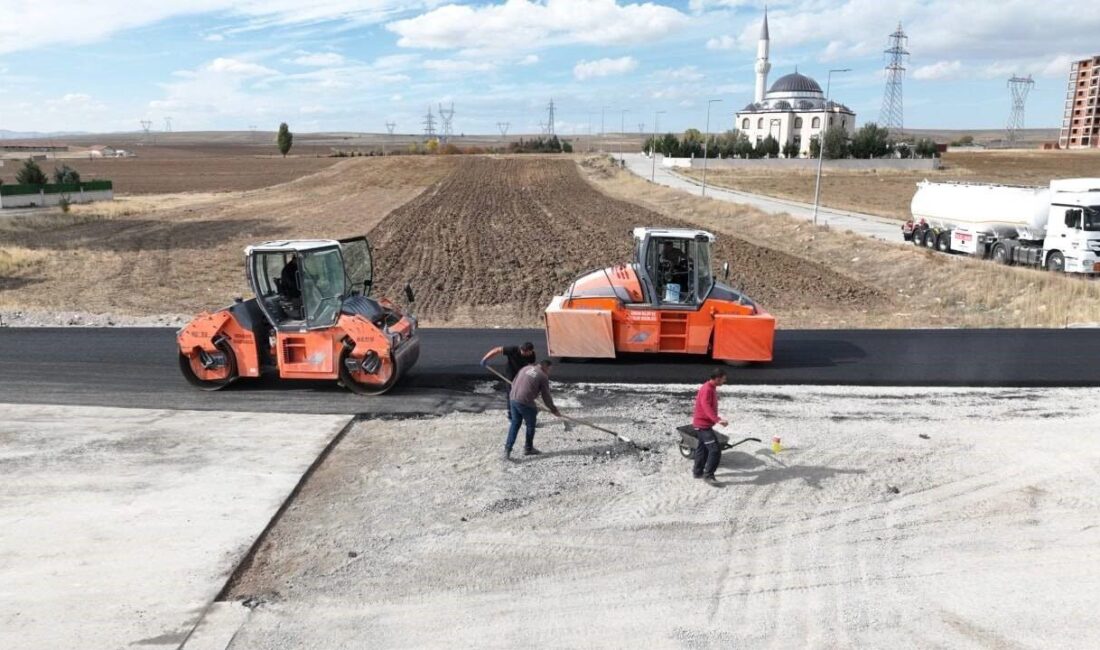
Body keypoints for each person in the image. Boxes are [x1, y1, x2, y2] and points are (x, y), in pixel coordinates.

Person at [504, 360, 561, 460]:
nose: (549, 372)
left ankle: (507, 450)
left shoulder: (525, 368)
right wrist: (553, 409)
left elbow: (514, 383)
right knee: (530, 424)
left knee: (515, 423)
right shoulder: (543, 376)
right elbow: (546, 396)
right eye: (549, 369)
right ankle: (528, 448)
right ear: (546, 367)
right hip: (524, 402)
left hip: (513, 398)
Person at [692, 368, 729, 485]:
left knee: (702, 448)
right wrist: (717, 420)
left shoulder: (711, 387)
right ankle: (708, 475)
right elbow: (706, 406)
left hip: (702, 424)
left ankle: (697, 472)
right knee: (715, 450)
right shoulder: (707, 389)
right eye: (723, 379)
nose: (724, 381)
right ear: (717, 378)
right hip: (703, 425)